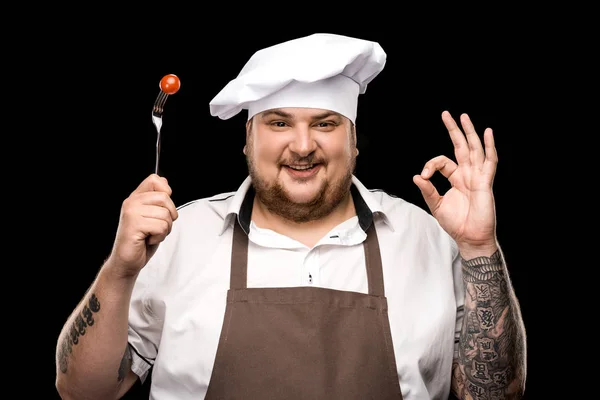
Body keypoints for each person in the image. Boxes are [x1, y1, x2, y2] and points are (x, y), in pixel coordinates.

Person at [55, 33, 527, 400]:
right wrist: (120, 270)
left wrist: (479, 248)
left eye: (324, 123)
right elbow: (82, 392)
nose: (302, 146)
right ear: (248, 139)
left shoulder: (426, 237)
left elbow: (497, 392)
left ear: (354, 141)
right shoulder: (178, 236)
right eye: (279, 123)